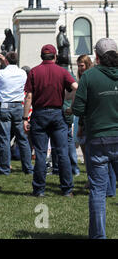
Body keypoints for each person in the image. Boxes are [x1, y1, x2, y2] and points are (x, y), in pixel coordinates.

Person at [72, 38, 118, 239]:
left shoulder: (89, 76)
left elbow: (78, 109)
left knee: (98, 192)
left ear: (96, 57)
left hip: (98, 138)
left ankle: (99, 237)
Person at [23, 44, 78, 197]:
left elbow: (29, 97)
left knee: (40, 153)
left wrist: (25, 118)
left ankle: (39, 189)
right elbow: (76, 87)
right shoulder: (62, 71)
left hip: (39, 114)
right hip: (57, 114)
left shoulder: (34, 72)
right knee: (62, 152)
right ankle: (67, 189)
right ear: (55, 57)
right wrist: (72, 107)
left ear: (42, 56)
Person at [0, 52, 33, 175]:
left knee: (4, 138)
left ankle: (4, 168)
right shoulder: (22, 73)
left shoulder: (1, 73)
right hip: (18, 106)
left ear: (7, 61)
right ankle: (28, 168)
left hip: (4, 106)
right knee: (22, 139)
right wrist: (6, 60)